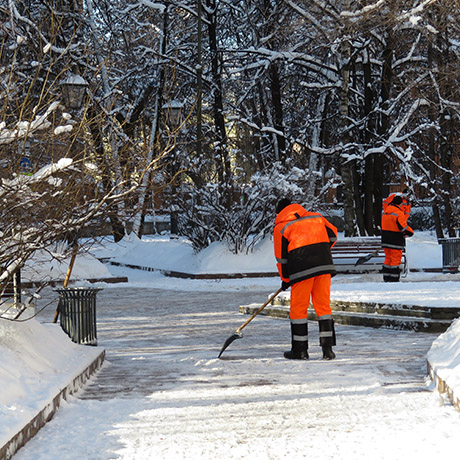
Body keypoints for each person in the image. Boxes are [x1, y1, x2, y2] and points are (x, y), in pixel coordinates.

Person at [273, 198, 338, 360]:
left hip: (301, 270)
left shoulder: (281, 227)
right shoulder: (316, 217)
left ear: (280, 212)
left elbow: (281, 258)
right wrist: (319, 251)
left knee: (298, 309)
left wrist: (286, 278)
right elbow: (333, 235)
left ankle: (300, 351)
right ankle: (327, 350)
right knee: (323, 307)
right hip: (323, 267)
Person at [381, 195, 414, 282]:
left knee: (388, 258)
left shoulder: (386, 212)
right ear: (400, 204)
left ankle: (386, 277)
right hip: (395, 240)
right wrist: (411, 232)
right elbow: (403, 227)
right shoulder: (399, 213)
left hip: (385, 239)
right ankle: (394, 278)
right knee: (395, 259)